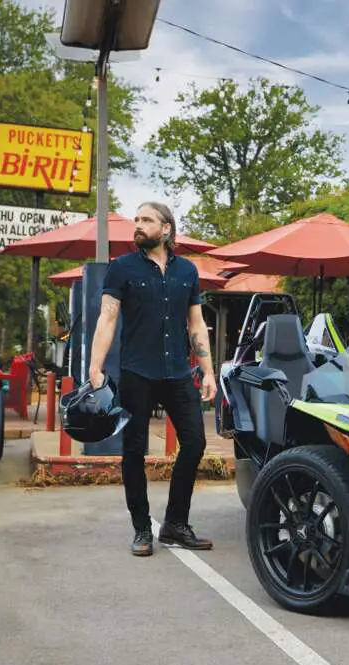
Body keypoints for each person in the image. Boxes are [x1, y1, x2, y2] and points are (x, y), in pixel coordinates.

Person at [87, 201, 218, 557]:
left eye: (146, 220)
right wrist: (95, 366)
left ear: (166, 229)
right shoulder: (121, 268)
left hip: (177, 371)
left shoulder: (188, 272)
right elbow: (108, 318)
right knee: (133, 451)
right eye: (137, 219)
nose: (138, 225)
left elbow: (196, 323)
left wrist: (208, 370)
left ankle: (175, 523)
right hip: (136, 372)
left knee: (194, 442)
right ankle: (142, 528)